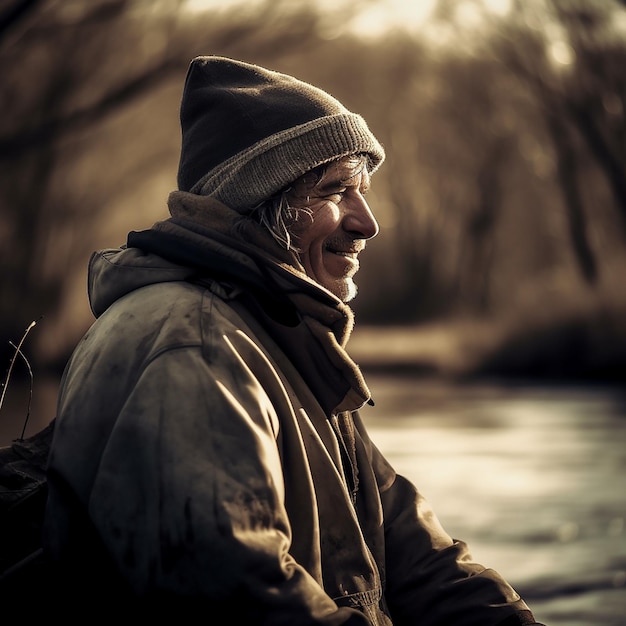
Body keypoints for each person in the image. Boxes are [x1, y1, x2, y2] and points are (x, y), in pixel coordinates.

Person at [42, 56, 545, 624]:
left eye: (363, 191)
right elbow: (242, 601)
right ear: (262, 206)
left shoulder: (281, 338)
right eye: (336, 191)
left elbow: (417, 556)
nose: (367, 223)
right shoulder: (196, 347)